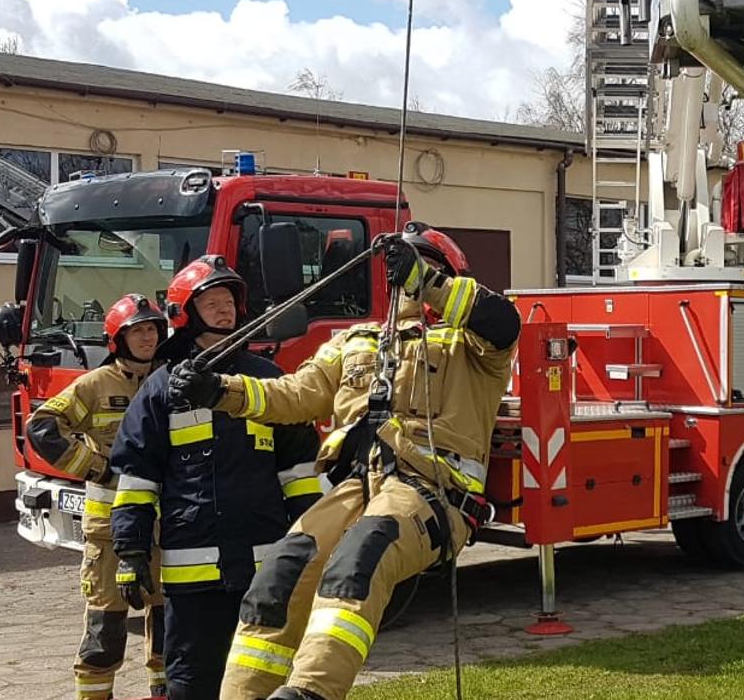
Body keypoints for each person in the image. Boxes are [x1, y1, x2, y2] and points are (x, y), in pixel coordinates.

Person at [171, 224, 520, 700]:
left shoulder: (474, 347)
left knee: (359, 560)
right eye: (404, 269)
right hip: (357, 486)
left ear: (450, 277)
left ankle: (310, 693)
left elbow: (502, 322)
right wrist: (220, 391)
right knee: (279, 574)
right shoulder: (356, 341)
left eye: (424, 267)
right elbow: (294, 394)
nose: (408, 279)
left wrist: (429, 281)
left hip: (431, 493)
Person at [111, 255, 323, 700]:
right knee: (192, 682)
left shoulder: (269, 382)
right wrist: (130, 553)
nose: (225, 309)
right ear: (186, 314)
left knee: (270, 678)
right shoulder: (163, 388)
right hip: (194, 580)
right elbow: (137, 478)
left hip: (266, 569)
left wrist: (313, 543)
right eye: (212, 302)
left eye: (229, 301)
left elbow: (300, 470)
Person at [26, 293, 171, 700]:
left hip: (165, 526)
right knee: (106, 626)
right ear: (117, 339)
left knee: (168, 622)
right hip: (109, 533)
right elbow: (41, 428)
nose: (146, 339)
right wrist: (96, 467)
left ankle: (163, 692)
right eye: (137, 331)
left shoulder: (170, 378)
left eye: (152, 330)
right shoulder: (95, 384)